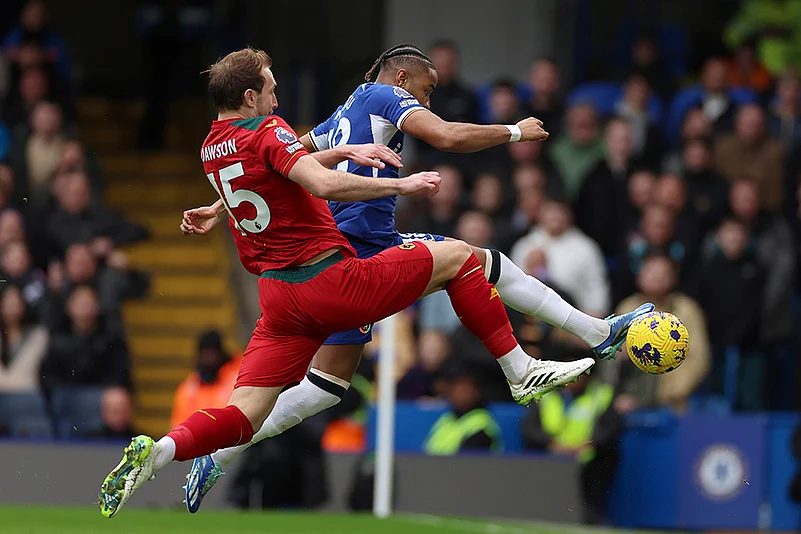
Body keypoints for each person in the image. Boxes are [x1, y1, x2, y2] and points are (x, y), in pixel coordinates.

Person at [98, 47, 610, 518]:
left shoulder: (212, 147)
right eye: (271, 89)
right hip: (333, 276)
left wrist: (220, 206)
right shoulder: (285, 123)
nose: (277, 98)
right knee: (461, 258)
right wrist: (403, 183)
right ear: (250, 97)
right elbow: (322, 179)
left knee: (251, 412)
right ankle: (524, 368)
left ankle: (161, 451)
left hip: (279, 299)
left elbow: (278, 166)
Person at [423, 366, 503, 455]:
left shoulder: (481, 427)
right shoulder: (447, 418)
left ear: (477, 392)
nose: (457, 392)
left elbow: (468, 461)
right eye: (454, 387)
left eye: (463, 389)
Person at [170, 330, 241, 429]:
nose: (209, 358)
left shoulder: (236, 381)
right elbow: (177, 427)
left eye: (212, 353)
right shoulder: (189, 390)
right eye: (206, 353)